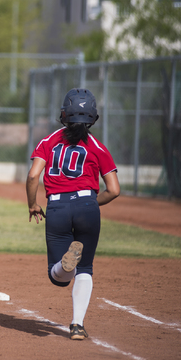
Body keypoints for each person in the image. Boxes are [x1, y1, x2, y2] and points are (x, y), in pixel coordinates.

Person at [26, 88, 120, 340]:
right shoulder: (98, 146)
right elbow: (114, 190)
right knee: (86, 268)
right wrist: (90, 204)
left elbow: (34, 175)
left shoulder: (50, 140)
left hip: (57, 206)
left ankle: (65, 266)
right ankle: (77, 325)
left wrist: (32, 204)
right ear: (93, 117)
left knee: (58, 277)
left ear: (63, 114)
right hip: (88, 206)